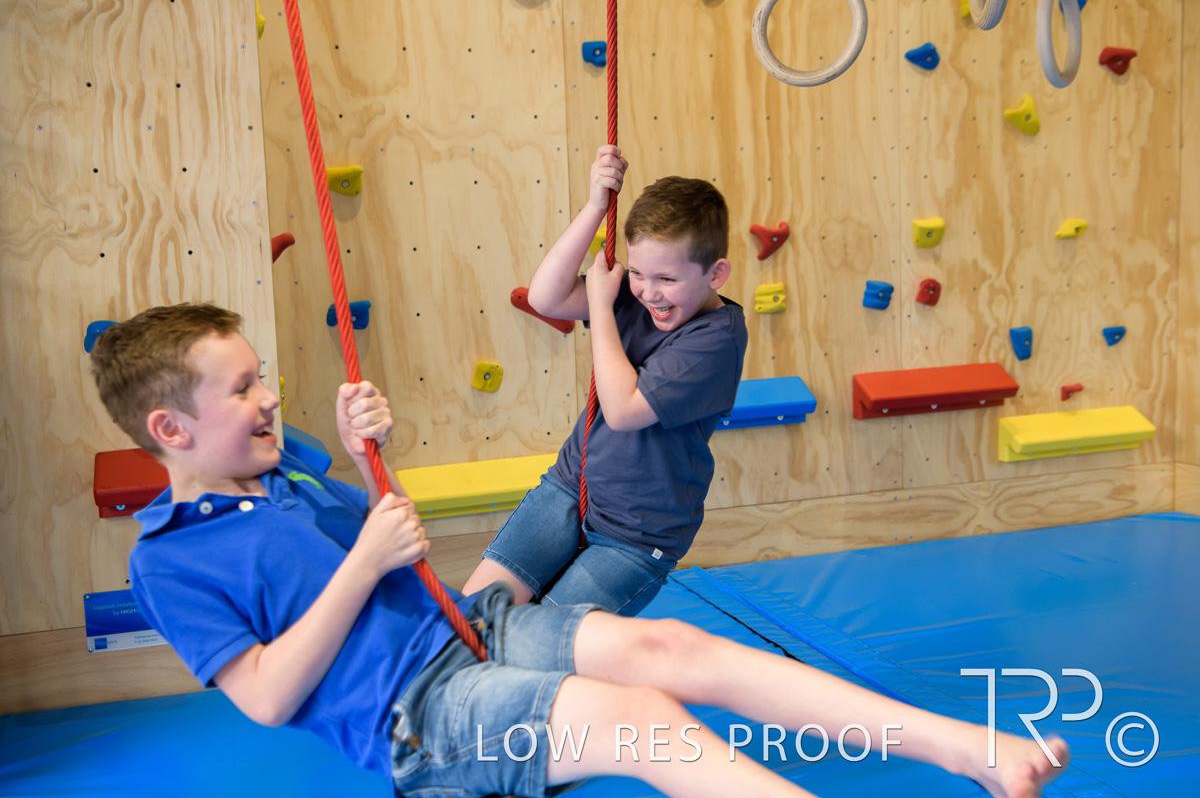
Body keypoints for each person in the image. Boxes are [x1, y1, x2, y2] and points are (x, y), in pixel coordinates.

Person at [90, 303, 1069, 798]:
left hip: (468, 630)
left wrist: (359, 455)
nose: (268, 397)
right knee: (644, 719)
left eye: (260, 375)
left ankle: (974, 751)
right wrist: (362, 560)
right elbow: (265, 696)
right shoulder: (170, 558)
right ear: (172, 428)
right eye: (242, 388)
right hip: (415, 716)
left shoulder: (287, 474)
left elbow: (390, 541)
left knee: (675, 647)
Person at [463, 145, 749, 615]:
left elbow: (622, 410)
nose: (649, 293)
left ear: (716, 274)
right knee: (476, 614)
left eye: (667, 279)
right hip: (570, 488)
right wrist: (596, 205)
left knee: (541, 639)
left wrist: (600, 302)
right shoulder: (638, 295)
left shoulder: (717, 339)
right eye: (636, 272)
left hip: (636, 534)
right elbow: (546, 297)